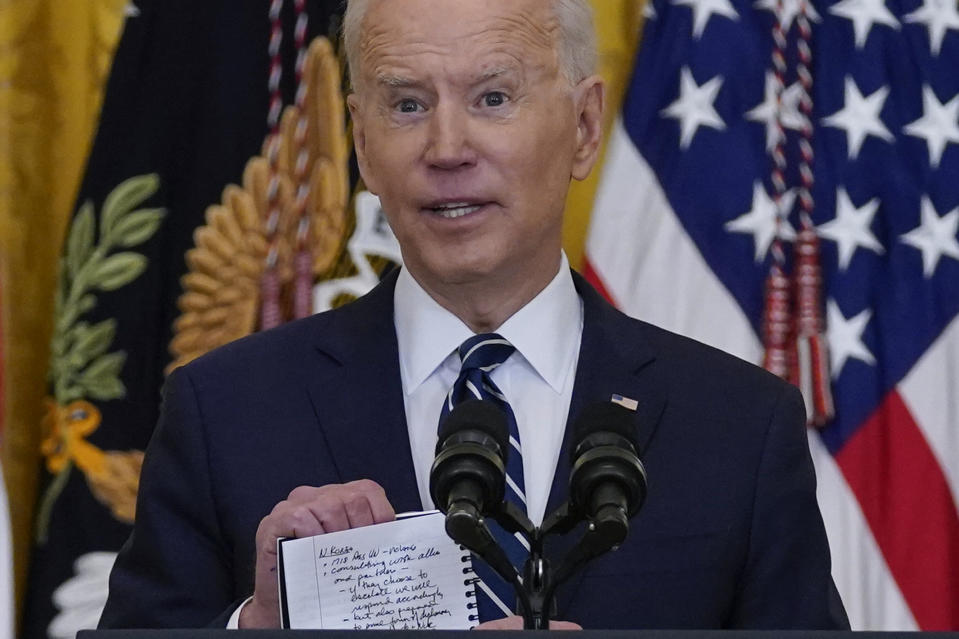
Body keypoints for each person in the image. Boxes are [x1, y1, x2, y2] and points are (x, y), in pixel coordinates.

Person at [98, 0, 849, 630]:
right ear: (361, 141)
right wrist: (258, 626)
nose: (446, 147)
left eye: (492, 97)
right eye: (406, 104)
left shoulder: (738, 425)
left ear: (584, 126)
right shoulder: (224, 410)